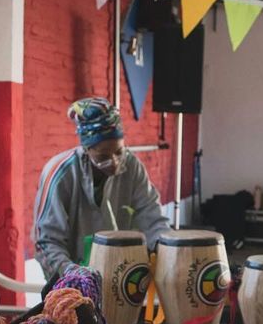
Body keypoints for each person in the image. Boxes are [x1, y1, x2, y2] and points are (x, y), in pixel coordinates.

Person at [33, 97, 170, 281]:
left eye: (119, 152)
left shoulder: (131, 166)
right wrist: (72, 274)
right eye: (103, 156)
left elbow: (151, 216)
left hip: (120, 273)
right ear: (87, 149)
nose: (114, 162)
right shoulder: (61, 174)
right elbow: (47, 242)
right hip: (72, 281)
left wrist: (168, 249)